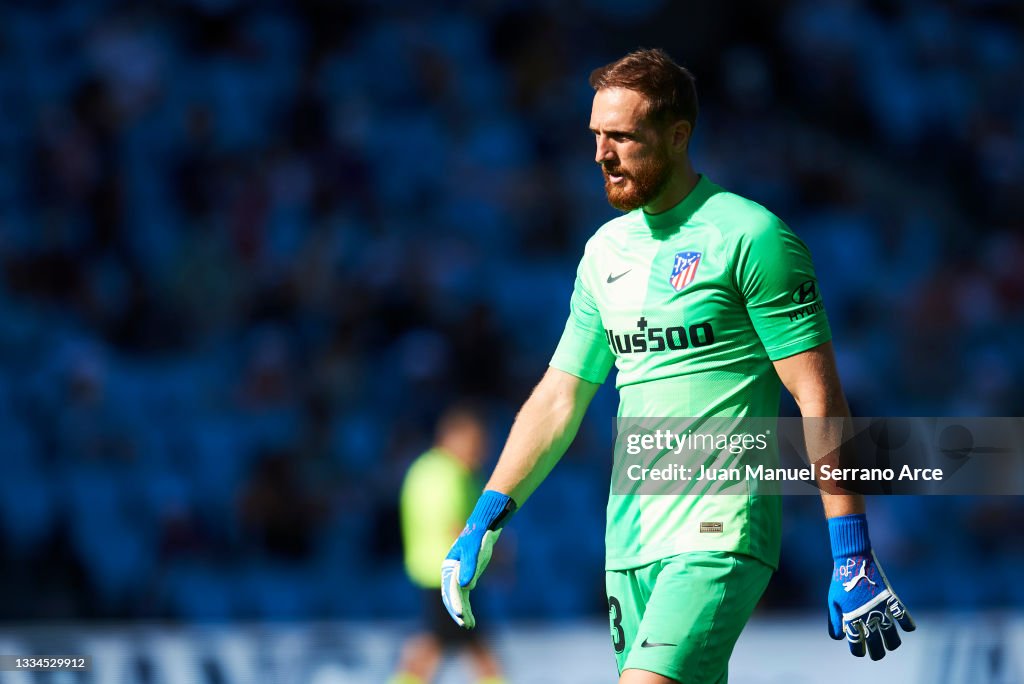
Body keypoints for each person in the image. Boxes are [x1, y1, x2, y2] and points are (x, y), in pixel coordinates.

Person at [440, 49, 915, 683]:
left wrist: (850, 549)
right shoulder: (603, 253)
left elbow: (819, 400)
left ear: (678, 135)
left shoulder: (751, 237)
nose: (602, 154)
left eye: (622, 137)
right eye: (596, 136)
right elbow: (560, 397)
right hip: (630, 541)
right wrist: (485, 516)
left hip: (720, 532)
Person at [391, 406, 505, 684]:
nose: (481, 452)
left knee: (448, 646)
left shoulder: (422, 468)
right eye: (476, 443)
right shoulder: (450, 472)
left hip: (428, 570)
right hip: (451, 572)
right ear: (454, 438)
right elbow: (457, 526)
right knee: (465, 650)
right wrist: (497, 556)